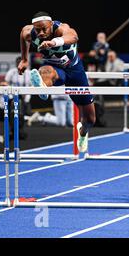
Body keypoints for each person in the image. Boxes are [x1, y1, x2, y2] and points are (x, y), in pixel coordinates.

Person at [18, 11, 96, 153]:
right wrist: (24, 59)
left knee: (90, 119)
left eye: (44, 29)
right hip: (54, 69)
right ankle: (43, 87)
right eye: (38, 30)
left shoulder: (61, 28)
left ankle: (83, 133)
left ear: (51, 24)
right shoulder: (28, 31)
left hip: (74, 71)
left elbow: (74, 36)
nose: (41, 33)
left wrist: (53, 42)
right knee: (45, 70)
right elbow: (23, 37)